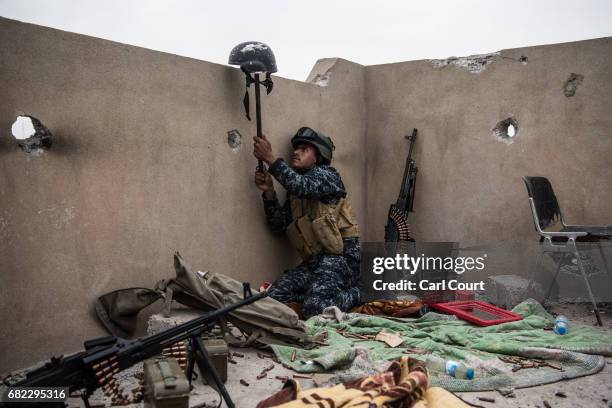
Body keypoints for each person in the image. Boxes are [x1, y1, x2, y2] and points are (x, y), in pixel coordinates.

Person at [252, 127, 361, 318]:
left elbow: (302, 185)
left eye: (304, 149)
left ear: (318, 156)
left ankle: (362, 292)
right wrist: (268, 191)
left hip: (342, 261)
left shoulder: (328, 176)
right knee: (273, 298)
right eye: (296, 148)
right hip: (313, 263)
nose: (296, 152)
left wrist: (270, 158)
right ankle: (317, 291)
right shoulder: (295, 194)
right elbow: (278, 224)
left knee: (315, 308)